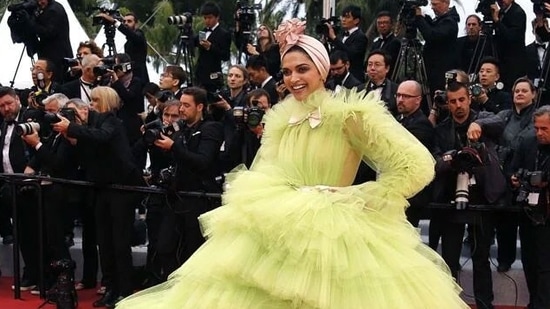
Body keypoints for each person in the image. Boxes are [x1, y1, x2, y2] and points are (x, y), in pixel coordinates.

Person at [116, 18, 468, 309]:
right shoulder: (281, 118)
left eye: (303, 69)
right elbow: (265, 173)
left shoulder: (351, 113)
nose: (294, 78)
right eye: (286, 72)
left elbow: (418, 165)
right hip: (277, 230)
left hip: (336, 232)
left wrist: (361, 196)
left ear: (323, 68)